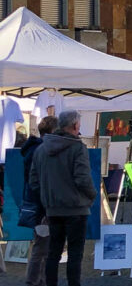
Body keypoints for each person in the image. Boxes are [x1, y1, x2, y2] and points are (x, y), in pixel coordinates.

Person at [29, 110, 98, 286]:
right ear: (75, 126)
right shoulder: (77, 147)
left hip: (53, 209)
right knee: (75, 255)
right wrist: (92, 195)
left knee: (53, 253)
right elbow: (83, 178)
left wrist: (47, 199)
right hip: (76, 208)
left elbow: (34, 182)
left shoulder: (41, 149)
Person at [21, 116, 58, 286]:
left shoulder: (34, 150)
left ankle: (39, 281)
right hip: (42, 207)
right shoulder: (40, 151)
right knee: (41, 248)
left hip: (39, 206)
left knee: (43, 247)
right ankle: (33, 281)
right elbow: (38, 184)